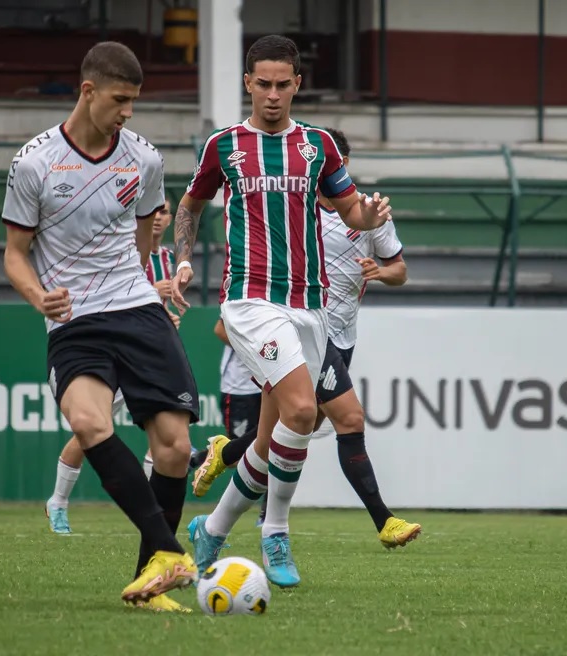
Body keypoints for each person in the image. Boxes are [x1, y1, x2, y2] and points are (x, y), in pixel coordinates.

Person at [170, 35, 392, 588]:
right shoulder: (225, 146)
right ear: (248, 83)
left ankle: (212, 530)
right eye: (262, 84)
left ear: (297, 84)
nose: (272, 95)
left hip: (308, 306)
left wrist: (367, 218)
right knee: (300, 411)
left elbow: (349, 213)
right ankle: (276, 530)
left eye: (282, 84)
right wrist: (180, 260)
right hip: (251, 300)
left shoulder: (319, 147)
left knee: (279, 435)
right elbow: (191, 203)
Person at [1, 41, 197, 608]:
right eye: (119, 99)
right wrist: (40, 296)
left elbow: (143, 238)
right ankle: (168, 549)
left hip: (136, 309)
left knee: (175, 450)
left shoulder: (145, 158)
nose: (127, 112)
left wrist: (147, 283)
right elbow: (14, 254)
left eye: (134, 101)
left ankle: (152, 577)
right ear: (87, 91)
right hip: (74, 321)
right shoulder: (34, 163)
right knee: (88, 423)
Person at [191, 129, 422, 548]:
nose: (336, 177)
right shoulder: (292, 209)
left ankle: (220, 485)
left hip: (337, 335)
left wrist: (379, 271)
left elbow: (400, 270)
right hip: (294, 324)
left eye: (342, 169)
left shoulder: (367, 214)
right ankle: (381, 521)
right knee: (348, 418)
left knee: (280, 436)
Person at [43, 200, 185, 537]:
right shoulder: (116, 251)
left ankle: (151, 512)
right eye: (153, 210)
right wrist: (153, 291)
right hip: (105, 345)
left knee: (166, 437)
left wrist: (165, 321)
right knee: (90, 428)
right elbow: (104, 293)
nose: (157, 217)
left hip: (144, 350)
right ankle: (58, 502)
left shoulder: (168, 261)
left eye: (164, 212)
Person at [189, 318, 263, 502]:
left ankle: (268, 514)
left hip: (266, 383)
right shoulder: (243, 295)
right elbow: (220, 329)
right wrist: (256, 351)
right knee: (239, 455)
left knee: (272, 442)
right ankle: (194, 459)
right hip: (240, 387)